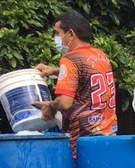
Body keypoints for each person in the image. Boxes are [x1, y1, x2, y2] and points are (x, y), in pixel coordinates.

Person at [33, 11, 117, 155]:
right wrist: (53, 71)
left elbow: (65, 103)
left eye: (58, 33)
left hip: (83, 142)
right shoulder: (100, 55)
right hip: (108, 135)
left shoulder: (70, 59)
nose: (57, 39)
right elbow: (84, 74)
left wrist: (51, 106)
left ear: (70, 34)